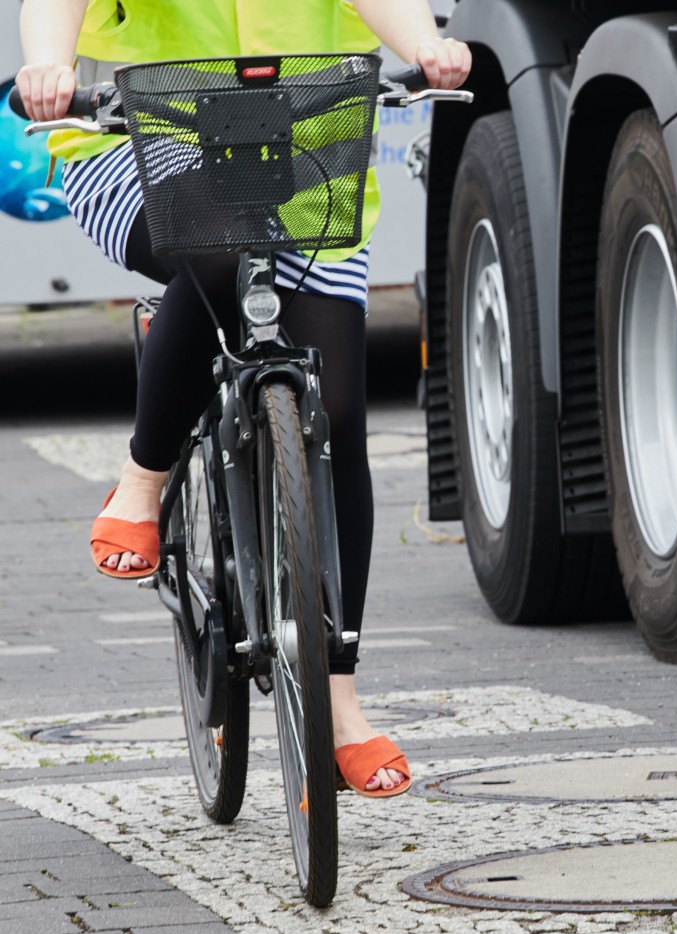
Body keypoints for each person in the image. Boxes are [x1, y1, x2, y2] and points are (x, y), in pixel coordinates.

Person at [17, 0, 471, 798]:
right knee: (220, 248)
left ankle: (336, 702)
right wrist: (49, 65)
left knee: (341, 417)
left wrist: (427, 46)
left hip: (304, 168)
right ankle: (145, 475)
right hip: (133, 146)